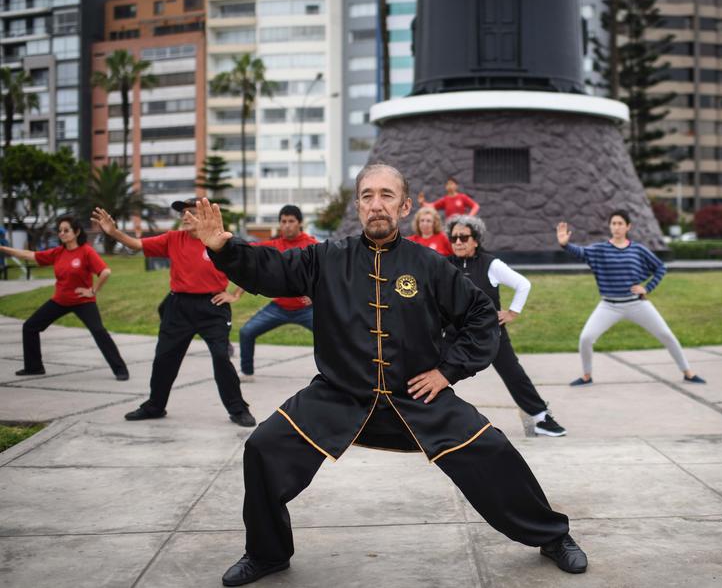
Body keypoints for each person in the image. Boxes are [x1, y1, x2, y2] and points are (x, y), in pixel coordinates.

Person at [189, 163, 587, 586]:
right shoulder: (325, 258)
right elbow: (270, 269)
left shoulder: (430, 265)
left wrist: (447, 371)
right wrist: (224, 248)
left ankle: (552, 535)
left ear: (404, 206)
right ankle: (267, 553)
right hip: (339, 395)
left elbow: (480, 316)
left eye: (386, 195)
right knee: (264, 447)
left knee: (493, 451)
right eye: (367, 196)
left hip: (417, 398)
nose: (376, 205)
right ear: (358, 205)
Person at [91, 198, 256, 427]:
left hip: (213, 307)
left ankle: (238, 409)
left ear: (205, 216)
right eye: (183, 213)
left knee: (221, 356)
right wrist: (114, 232)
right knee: (164, 358)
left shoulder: (220, 240)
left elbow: (248, 268)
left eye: (192, 212)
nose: (186, 216)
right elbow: (136, 244)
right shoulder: (172, 239)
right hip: (179, 307)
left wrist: (234, 295)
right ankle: (155, 406)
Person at [446, 215, 567, 437]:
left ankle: (541, 417)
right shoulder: (445, 264)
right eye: (453, 238)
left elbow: (523, 284)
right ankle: (418, 417)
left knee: (514, 374)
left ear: (476, 239)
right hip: (456, 334)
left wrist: (512, 312)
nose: (458, 242)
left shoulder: (491, 264)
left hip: (489, 333)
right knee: (432, 371)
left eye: (463, 237)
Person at [558, 210, 705, 386]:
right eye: (613, 223)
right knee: (586, 338)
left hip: (637, 304)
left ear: (628, 227)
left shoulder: (638, 249)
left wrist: (647, 288)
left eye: (620, 223)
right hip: (609, 306)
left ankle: (688, 372)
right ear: (610, 226)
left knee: (666, 335)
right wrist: (565, 245)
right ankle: (587, 376)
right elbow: (580, 252)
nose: (617, 227)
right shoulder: (600, 249)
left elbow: (660, 268)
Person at [0, 216, 129, 379]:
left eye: (66, 230)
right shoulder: (58, 252)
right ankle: (34, 367)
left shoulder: (86, 251)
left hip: (83, 302)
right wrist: (4, 249)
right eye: (60, 231)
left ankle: (120, 370)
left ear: (76, 232)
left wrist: (93, 291)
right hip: (60, 300)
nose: (62, 233)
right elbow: (29, 255)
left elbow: (105, 272)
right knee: (30, 327)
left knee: (99, 331)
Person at [236, 205, 317, 380]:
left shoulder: (312, 245)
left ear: (300, 223)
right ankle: (247, 372)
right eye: (283, 221)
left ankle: (332, 376)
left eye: (291, 221)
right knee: (246, 332)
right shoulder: (273, 246)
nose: (287, 225)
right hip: (279, 308)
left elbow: (326, 274)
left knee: (332, 335)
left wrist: (314, 295)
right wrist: (236, 293)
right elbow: (249, 258)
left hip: (307, 310)